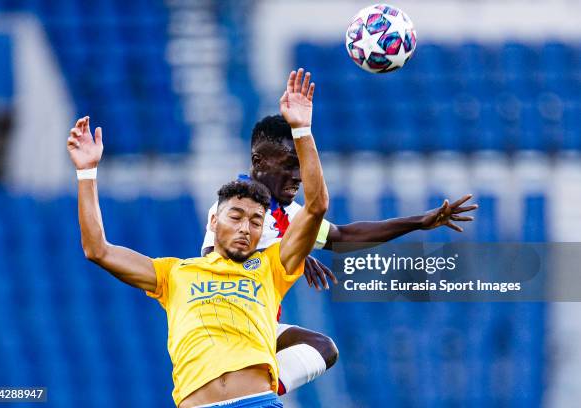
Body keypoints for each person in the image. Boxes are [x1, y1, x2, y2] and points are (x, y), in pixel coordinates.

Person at [67, 68, 327, 407]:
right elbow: (97, 249)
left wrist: (302, 130)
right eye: (236, 216)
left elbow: (317, 206)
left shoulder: (271, 268)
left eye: (256, 221)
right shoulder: (174, 274)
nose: (245, 228)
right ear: (213, 219)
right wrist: (86, 172)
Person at [201, 111, 478, 397]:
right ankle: (242, 394)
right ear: (260, 161)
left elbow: (343, 236)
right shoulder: (232, 209)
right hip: (227, 320)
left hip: (260, 323)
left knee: (322, 349)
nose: (298, 176)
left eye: (300, 166)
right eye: (290, 165)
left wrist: (419, 222)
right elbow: (214, 261)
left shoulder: (289, 215)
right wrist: (286, 252)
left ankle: (252, 395)